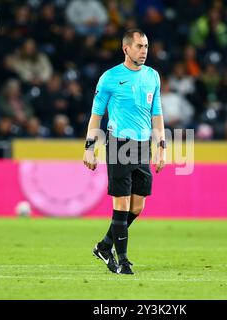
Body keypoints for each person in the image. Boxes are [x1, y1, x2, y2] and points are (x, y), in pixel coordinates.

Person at [83, 29, 166, 275]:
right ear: (126, 49)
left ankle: (104, 246)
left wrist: (162, 148)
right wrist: (89, 148)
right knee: (121, 204)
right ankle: (124, 261)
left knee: (137, 207)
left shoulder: (153, 76)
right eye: (139, 46)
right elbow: (95, 116)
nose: (144, 51)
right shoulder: (109, 78)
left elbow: (157, 116)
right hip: (119, 145)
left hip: (142, 147)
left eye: (146, 46)